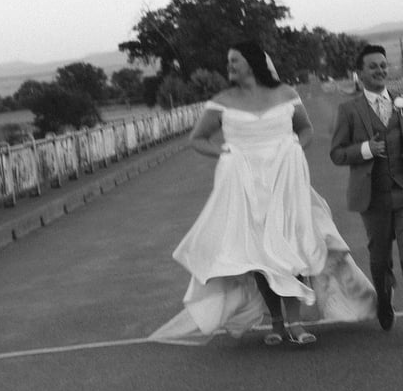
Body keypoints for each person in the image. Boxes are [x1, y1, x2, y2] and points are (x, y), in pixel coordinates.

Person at [149, 40, 376, 347]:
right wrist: (225, 153)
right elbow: (198, 139)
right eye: (228, 61)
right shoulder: (222, 101)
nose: (229, 66)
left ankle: (295, 322)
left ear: (253, 62)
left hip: (285, 184)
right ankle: (278, 322)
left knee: (293, 248)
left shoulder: (286, 94)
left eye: (234, 60)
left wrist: (295, 148)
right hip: (246, 188)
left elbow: (305, 129)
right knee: (259, 257)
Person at [329, 44, 403, 343]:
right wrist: (366, 149)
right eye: (373, 67)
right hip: (374, 197)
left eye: (383, 65)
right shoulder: (349, 110)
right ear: (360, 73)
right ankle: (384, 296)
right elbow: (336, 153)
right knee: (379, 260)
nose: (380, 70)